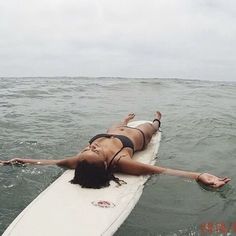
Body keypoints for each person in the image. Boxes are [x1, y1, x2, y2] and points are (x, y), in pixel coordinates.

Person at [0, 112, 230, 189]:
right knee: (153, 127)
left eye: (88, 150)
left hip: (113, 130)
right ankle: (158, 118)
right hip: (136, 138)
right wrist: (200, 176)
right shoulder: (122, 162)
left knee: (114, 125)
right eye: (95, 151)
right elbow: (162, 170)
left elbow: (51, 162)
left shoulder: (82, 158)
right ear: (106, 163)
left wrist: (18, 160)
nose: (92, 146)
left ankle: (125, 119)